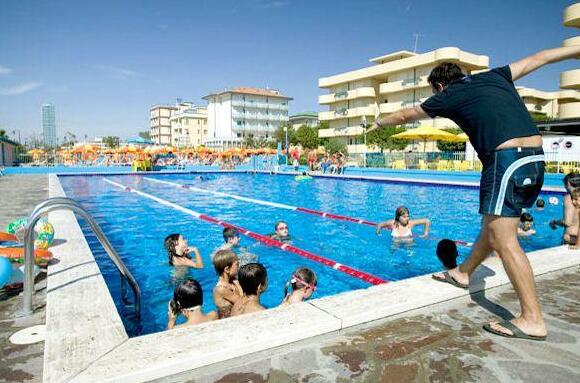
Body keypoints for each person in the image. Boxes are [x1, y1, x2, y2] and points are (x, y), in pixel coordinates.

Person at [368, 44, 580, 340]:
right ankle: (464, 272)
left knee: (504, 241)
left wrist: (378, 122)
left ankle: (532, 318)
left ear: (440, 86)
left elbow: (406, 115)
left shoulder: (449, 94)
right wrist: (573, 51)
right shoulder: (496, 76)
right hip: (535, 158)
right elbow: (538, 57)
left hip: (507, 160)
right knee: (492, 227)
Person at [549, 172, 579, 245]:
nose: (565, 187)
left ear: (568, 183)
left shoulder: (569, 198)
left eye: (565, 185)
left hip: (571, 239)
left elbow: (567, 222)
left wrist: (555, 222)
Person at [212, 249, 243, 319]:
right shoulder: (221, 289)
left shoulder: (231, 281)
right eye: (237, 264)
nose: (239, 267)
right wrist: (238, 284)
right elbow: (242, 302)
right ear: (227, 269)